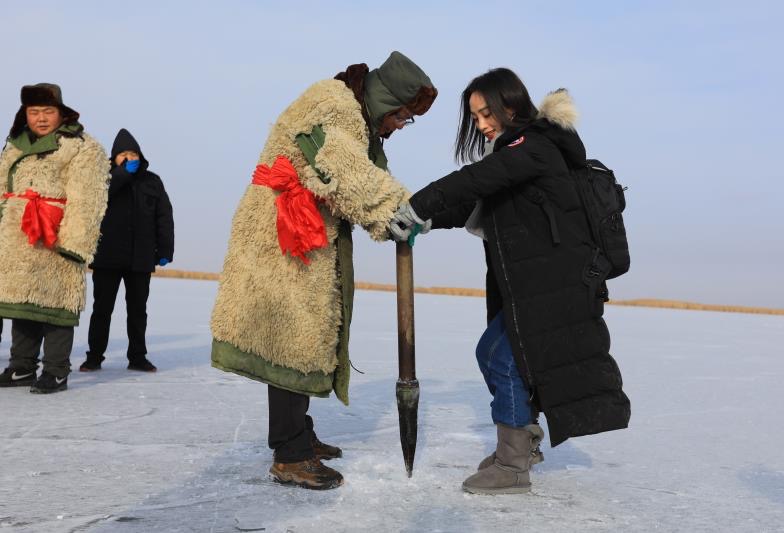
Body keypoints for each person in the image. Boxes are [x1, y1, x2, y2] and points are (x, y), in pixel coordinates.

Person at [390, 68, 630, 494]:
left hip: (557, 283)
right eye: (475, 117)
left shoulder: (532, 145)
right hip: (539, 283)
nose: (481, 124)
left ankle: (513, 464)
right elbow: (480, 201)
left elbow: (474, 181)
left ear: (511, 105)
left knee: (503, 357)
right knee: (498, 356)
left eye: (486, 113)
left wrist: (417, 203)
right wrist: (426, 220)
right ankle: (521, 445)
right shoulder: (514, 155)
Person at [210, 51, 437, 490]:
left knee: (303, 336)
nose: (399, 127)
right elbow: (339, 167)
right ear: (388, 100)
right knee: (291, 340)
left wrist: (401, 206)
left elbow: (367, 171)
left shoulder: (356, 116)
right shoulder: (334, 106)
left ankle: (298, 435)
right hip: (285, 233)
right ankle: (290, 455)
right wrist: (392, 210)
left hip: (303, 231)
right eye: (404, 117)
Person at [0, 83, 109, 393]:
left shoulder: (82, 147)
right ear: (26, 114)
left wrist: (76, 244)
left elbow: (88, 198)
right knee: (22, 302)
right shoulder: (15, 145)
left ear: (61, 113)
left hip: (56, 234)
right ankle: (22, 366)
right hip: (17, 237)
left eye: (48, 111)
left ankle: (56, 371)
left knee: (57, 305)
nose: (41, 118)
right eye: (34, 112)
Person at [79, 129, 174, 373]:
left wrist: (164, 249)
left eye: (132, 153)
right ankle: (94, 357)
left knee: (137, 311)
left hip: (140, 258)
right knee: (102, 310)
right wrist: (120, 175)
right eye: (123, 154)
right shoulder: (104, 178)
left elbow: (164, 217)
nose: (129, 158)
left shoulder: (152, 181)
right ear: (114, 158)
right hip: (107, 256)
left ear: (140, 156)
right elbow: (96, 202)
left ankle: (138, 357)